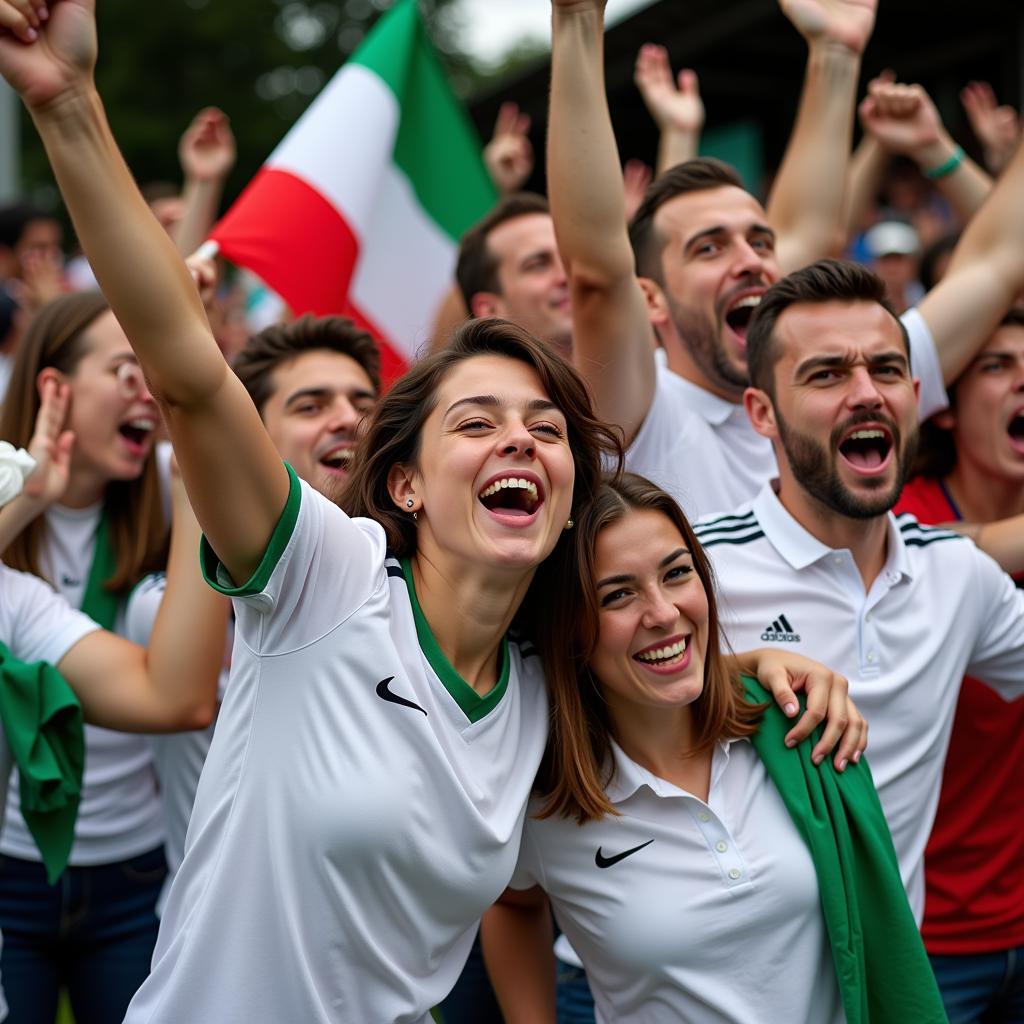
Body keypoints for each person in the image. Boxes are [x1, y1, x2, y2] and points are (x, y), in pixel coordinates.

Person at [0, 6, 861, 1018]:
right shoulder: (329, 577)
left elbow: (651, 677)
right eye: (478, 422)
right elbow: (189, 376)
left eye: (546, 428)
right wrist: (65, 106)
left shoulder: (544, 681)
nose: (520, 442)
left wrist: (756, 664)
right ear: (403, 482)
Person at [482, 473, 941, 1024]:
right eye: (617, 595)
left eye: (677, 574)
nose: (663, 613)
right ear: (567, 627)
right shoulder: (541, 792)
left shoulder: (794, 724)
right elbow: (511, 900)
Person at [548, 0, 1024, 523]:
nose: (750, 261)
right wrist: (576, 19)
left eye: (761, 241)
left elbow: (1000, 259)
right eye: (709, 247)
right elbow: (597, 274)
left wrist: (836, 54)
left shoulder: (856, 377)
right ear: (651, 300)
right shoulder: (641, 413)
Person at [695, 259, 1024, 930]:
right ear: (761, 412)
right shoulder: (697, 571)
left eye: (886, 370)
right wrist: (731, 673)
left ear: (916, 394)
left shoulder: (959, 576)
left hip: (884, 986)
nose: (867, 393)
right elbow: (576, 706)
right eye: (827, 374)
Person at [894, 310, 1024, 1022]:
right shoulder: (894, 528)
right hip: (922, 940)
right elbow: (932, 558)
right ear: (940, 409)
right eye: (997, 366)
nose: (1022, 381)